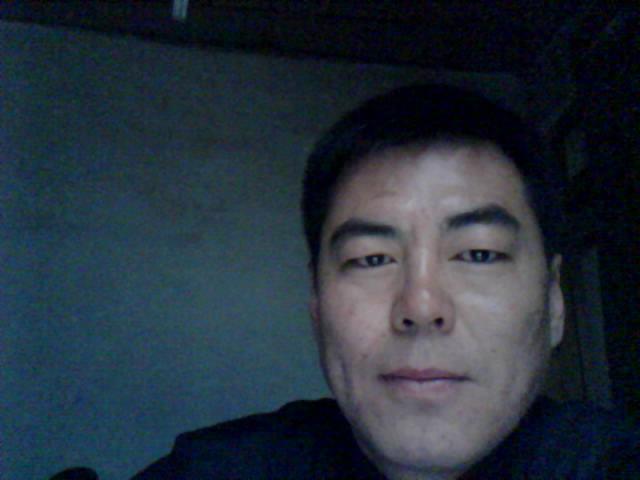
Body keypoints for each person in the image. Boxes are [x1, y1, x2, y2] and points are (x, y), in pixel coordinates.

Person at [132, 84, 639, 479]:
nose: (421, 305)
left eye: (479, 253)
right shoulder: (218, 469)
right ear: (317, 308)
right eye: (372, 259)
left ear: (554, 301)